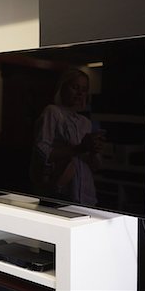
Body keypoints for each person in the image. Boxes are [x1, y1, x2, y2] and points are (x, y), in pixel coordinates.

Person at [30, 68, 103, 205]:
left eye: (84, 89)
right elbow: (41, 151)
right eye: (75, 87)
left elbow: (95, 166)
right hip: (60, 194)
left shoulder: (85, 122)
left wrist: (94, 151)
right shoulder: (53, 112)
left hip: (86, 196)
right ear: (63, 88)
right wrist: (79, 148)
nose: (80, 93)